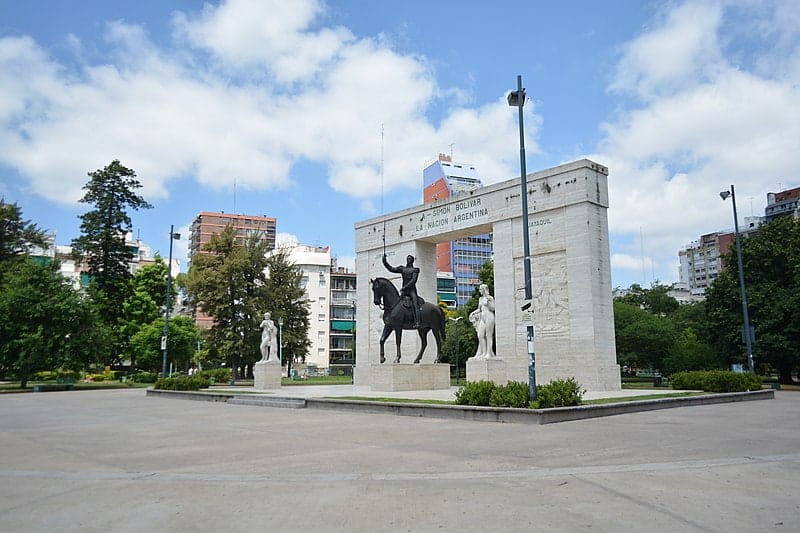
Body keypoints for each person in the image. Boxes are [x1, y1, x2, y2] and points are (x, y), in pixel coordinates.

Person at [382, 253, 421, 327]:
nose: (408, 260)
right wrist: (385, 262)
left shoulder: (415, 270)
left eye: (410, 259)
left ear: (412, 261)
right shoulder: (402, 269)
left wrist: (405, 287)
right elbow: (391, 269)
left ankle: (417, 322)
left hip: (411, 290)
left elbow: (413, 280)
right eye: (407, 259)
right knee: (396, 304)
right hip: (404, 291)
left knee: (415, 304)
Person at [469, 284, 496, 358]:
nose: (480, 291)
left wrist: (488, 303)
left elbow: (493, 308)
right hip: (482, 317)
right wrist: (473, 313)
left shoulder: (490, 298)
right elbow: (479, 309)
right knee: (480, 335)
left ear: (484, 289)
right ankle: (483, 352)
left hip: (489, 316)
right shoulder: (480, 299)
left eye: (481, 289)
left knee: (488, 335)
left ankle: (489, 353)